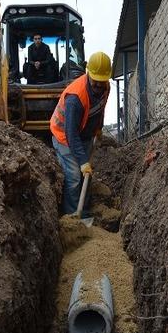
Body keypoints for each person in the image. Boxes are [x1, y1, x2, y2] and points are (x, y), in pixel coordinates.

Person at [50, 51, 111, 216]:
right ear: (88, 73)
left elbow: (100, 109)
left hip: (84, 135)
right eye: (95, 82)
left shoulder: (105, 87)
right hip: (64, 136)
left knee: (87, 175)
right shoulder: (75, 98)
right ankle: (72, 218)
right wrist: (83, 161)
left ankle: (84, 212)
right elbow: (71, 134)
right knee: (75, 177)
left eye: (101, 82)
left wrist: (98, 128)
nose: (98, 86)